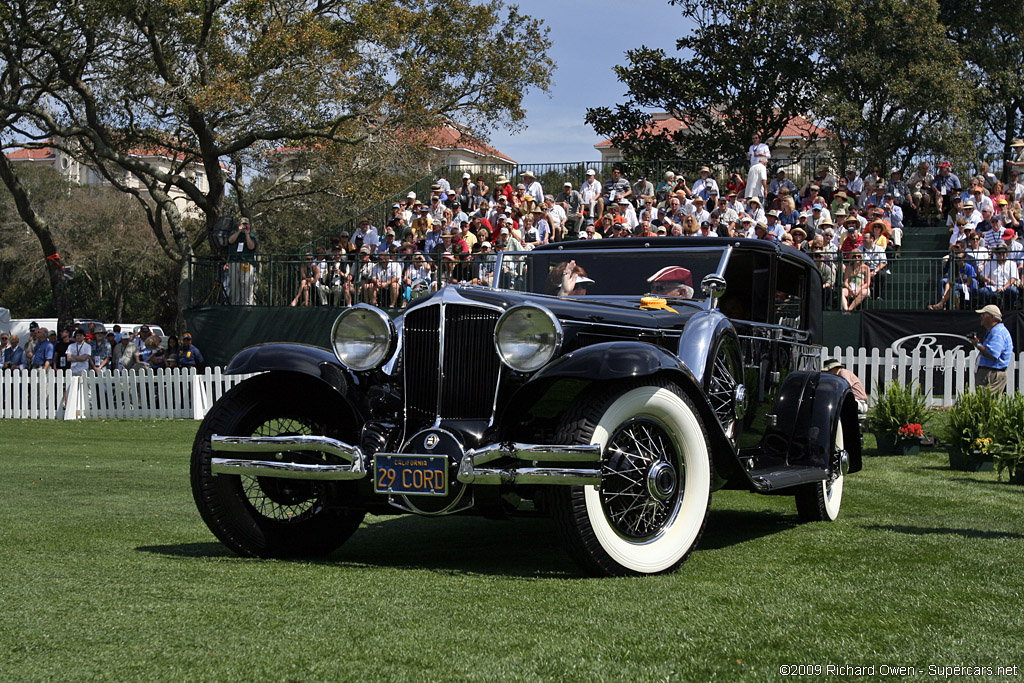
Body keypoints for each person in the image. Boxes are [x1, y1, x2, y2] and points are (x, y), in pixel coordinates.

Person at [968, 304, 1013, 392]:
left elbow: (993, 354)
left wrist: (977, 345)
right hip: (991, 373)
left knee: (987, 403)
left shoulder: (997, 332)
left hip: (991, 374)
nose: (981, 317)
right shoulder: (996, 331)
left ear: (992, 316)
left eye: (983, 315)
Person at [228, 217, 259, 305]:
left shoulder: (252, 236)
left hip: (247, 263)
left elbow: (251, 246)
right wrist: (239, 231)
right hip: (234, 263)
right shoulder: (234, 233)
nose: (244, 226)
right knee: (235, 285)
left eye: (246, 224)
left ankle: (246, 305)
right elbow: (230, 241)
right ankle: (235, 304)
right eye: (243, 224)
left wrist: (247, 234)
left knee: (246, 284)